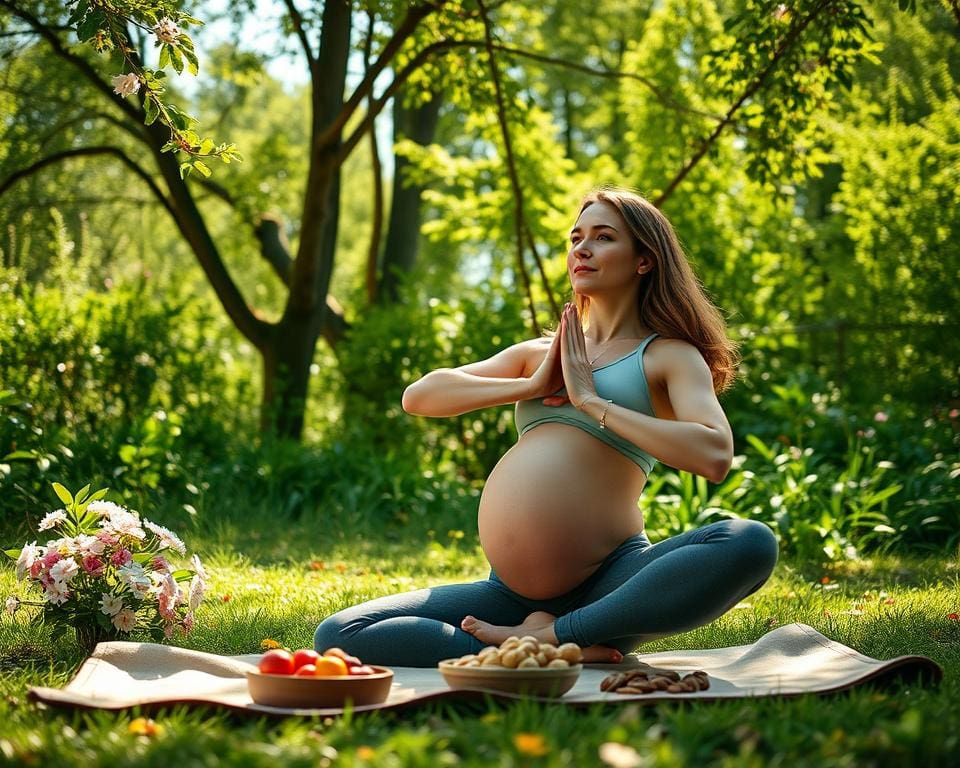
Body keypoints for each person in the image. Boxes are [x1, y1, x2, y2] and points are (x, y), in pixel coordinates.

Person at [314, 187, 778, 666]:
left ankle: (564, 634)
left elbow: (715, 453)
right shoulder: (539, 354)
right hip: (509, 598)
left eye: (603, 237)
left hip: (611, 584)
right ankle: (531, 648)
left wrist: (592, 401)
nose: (582, 248)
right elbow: (421, 397)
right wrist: (531, 383)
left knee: (749, 542)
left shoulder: (667, 356)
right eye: (576, 237)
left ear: (644, 260)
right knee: (341, 632)